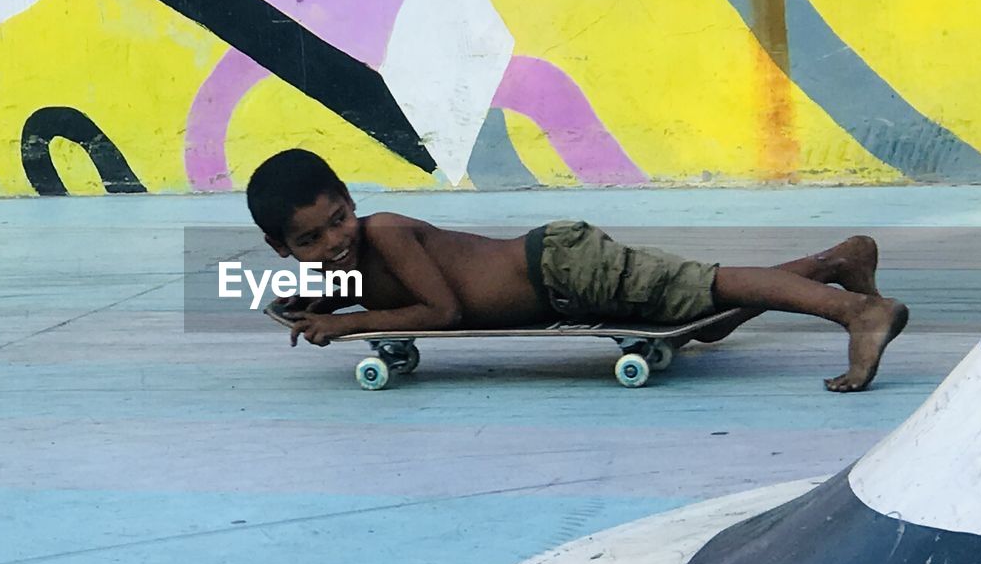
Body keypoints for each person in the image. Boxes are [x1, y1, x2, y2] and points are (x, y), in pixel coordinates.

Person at [245, 149, 908, 392]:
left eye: (338, 220)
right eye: (311, 239)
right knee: (703, 319)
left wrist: (345, 325)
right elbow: (358, 289)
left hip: (561, 268)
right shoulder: (354, 261)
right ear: (283, 248)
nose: (334, 242)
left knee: (708, 286)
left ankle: (855, 312)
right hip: (558, 280)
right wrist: (320, 306)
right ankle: (836, 262)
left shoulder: (385, 233)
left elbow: (439, 312)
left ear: (351, 203)